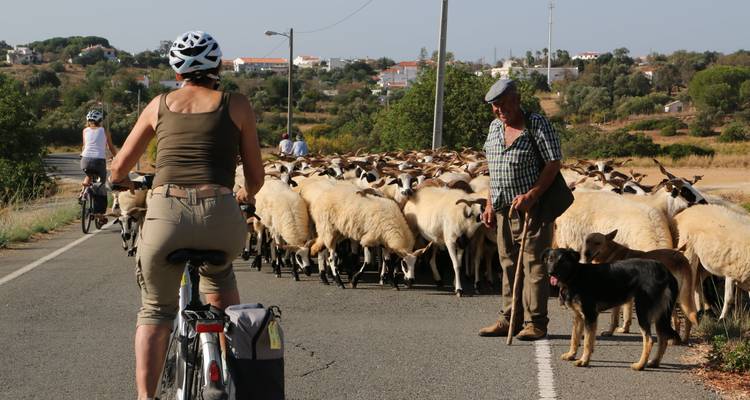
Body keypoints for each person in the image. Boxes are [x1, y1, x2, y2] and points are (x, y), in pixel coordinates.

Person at [109, 30, 264, 400]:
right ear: (217, 65)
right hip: (221, 215)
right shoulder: (237, 104)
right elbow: (256, 178)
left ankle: (146, 398)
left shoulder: (158, 104)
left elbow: (117, 170)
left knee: (155, 311)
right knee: (222, 287)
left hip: (167, 216)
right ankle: (231, 377)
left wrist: (124, 183)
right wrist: (243, 192)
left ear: (177, 71)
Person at [478, 79, 562, 341]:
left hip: (531, 209)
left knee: (534, 265)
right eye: (495, 106)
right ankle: (509, 319)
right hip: (503, 209)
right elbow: (495, 170)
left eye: (503, 103)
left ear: (517, 99)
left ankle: (536, 323)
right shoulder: (494, 128)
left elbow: (553, 163)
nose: (499, 110)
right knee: (508, 264)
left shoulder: (537, 124)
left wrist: (532, 195)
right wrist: (490, 205)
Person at [80, 109, 118, 187]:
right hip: (99, 161)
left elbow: (84, 146)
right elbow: (110, 147)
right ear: (100, 121)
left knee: (89, 175)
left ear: (88, 121)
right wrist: (116, 157)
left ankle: (83, 193)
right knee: (102, 181)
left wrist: (82, 156)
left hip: (85, 161)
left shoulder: (85, 131)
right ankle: (98, 195)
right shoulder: (105, 131)